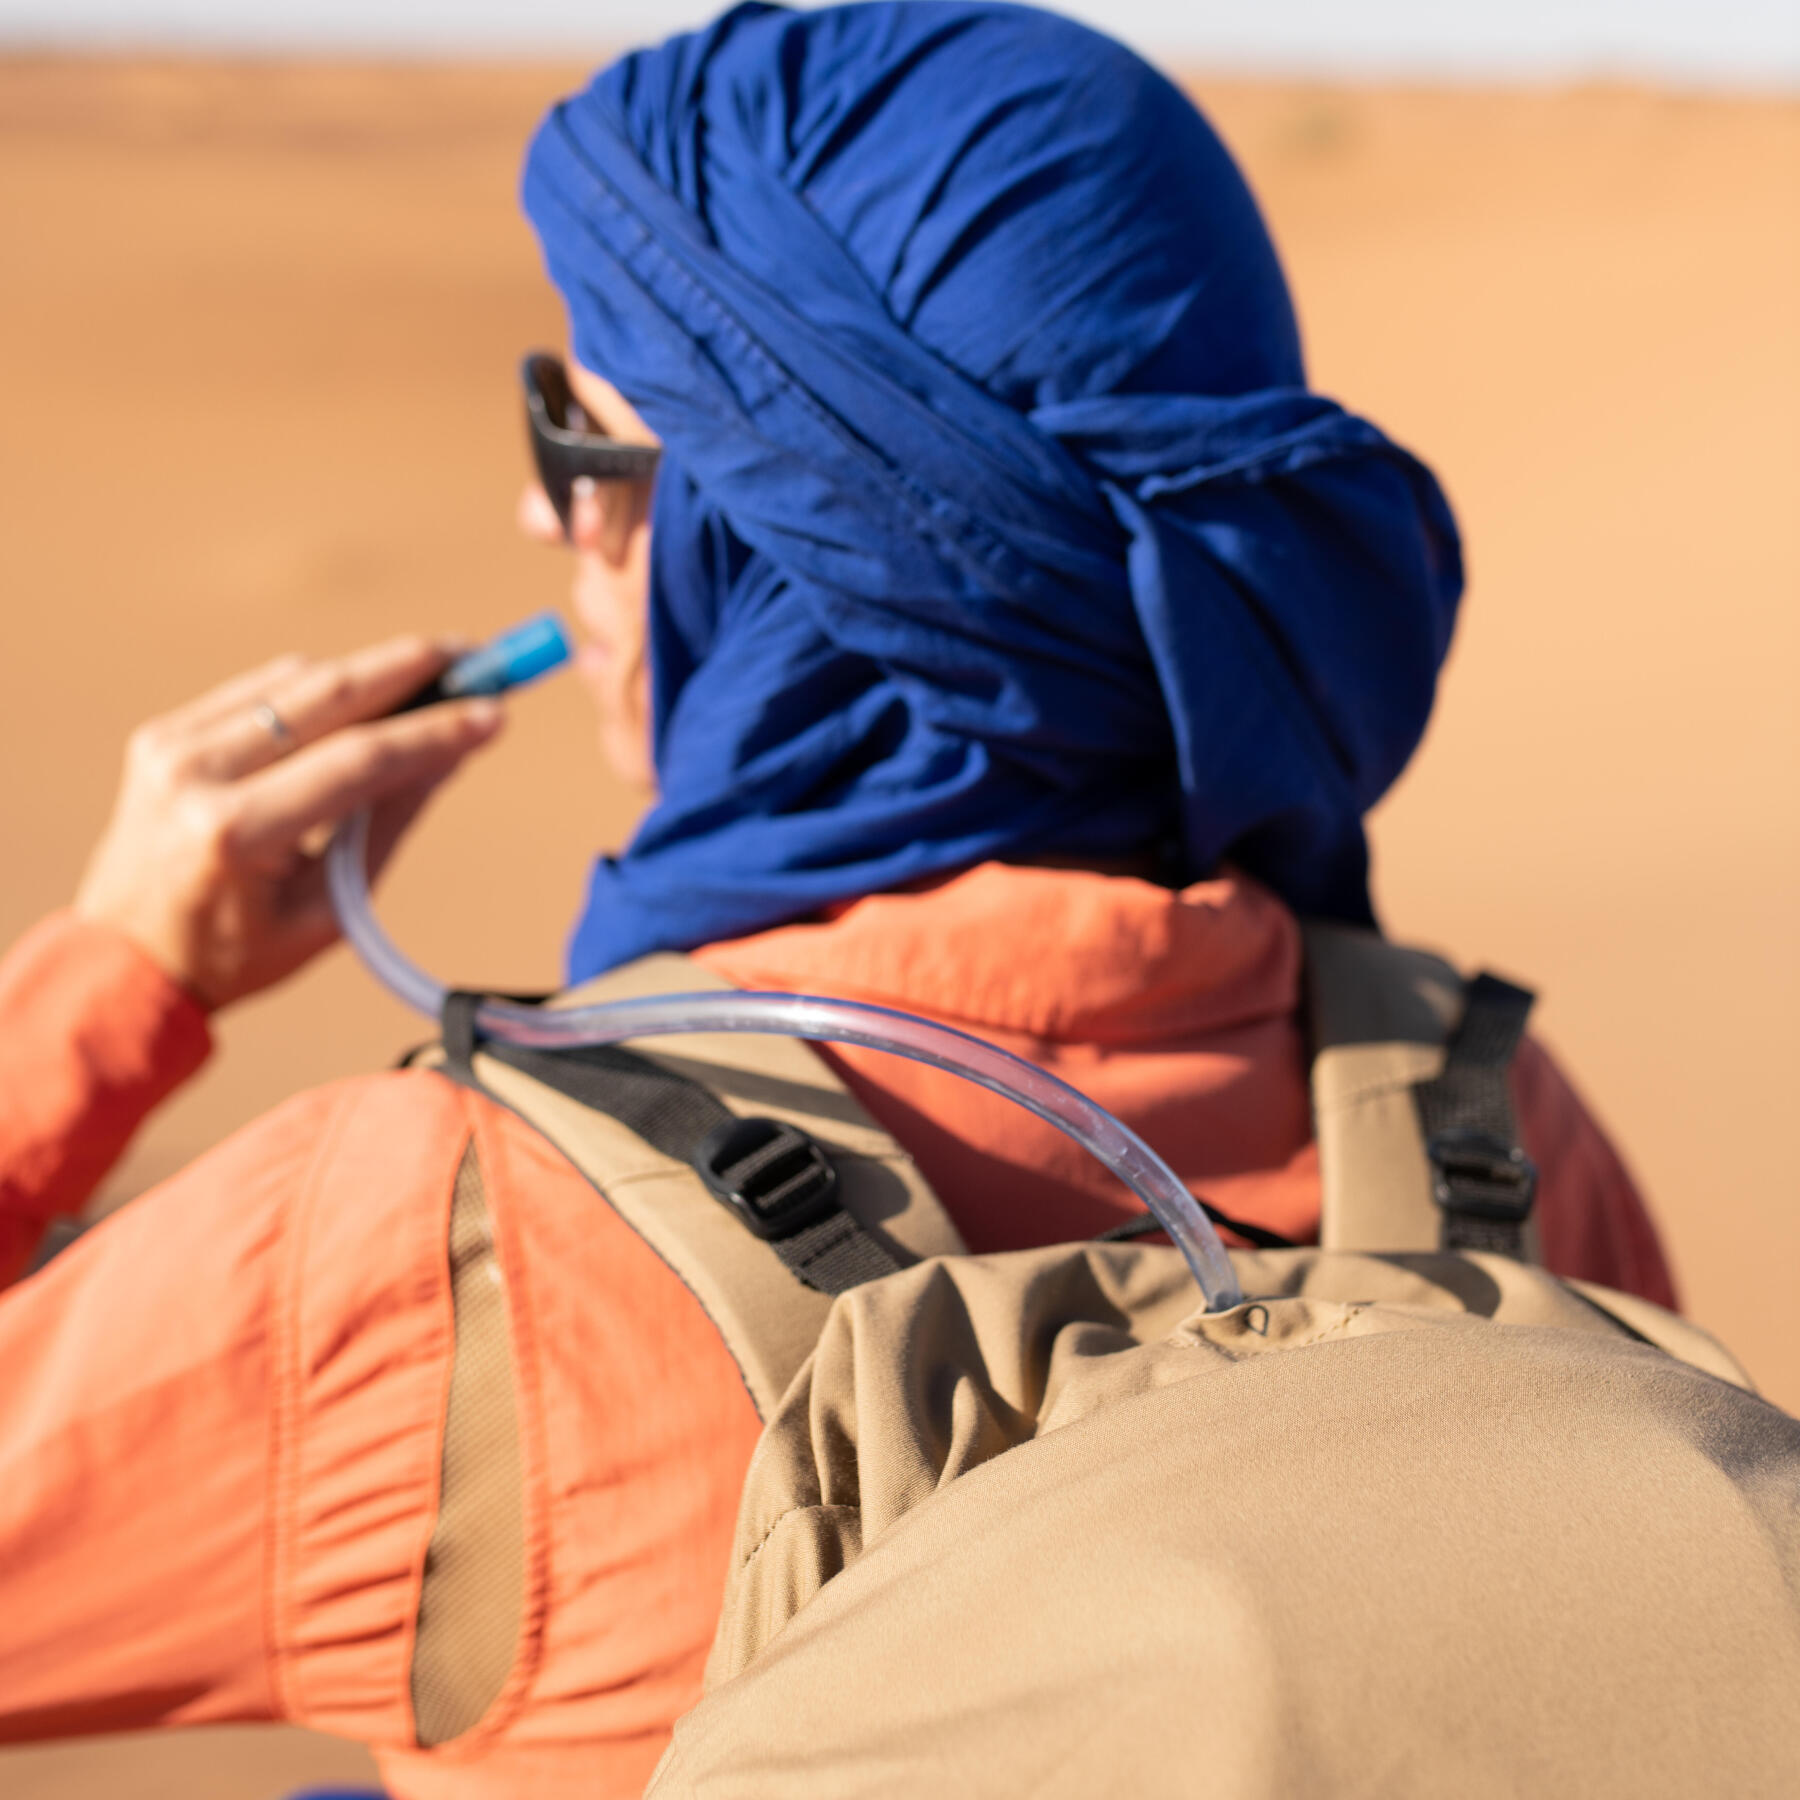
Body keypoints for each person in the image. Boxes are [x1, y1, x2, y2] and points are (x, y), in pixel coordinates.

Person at [0, 6, 1675, 1795]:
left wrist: (109, 979)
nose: (538, 508)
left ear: (782, 527)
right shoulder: (1498, 1140)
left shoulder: (438, 1250)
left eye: (579, 435)